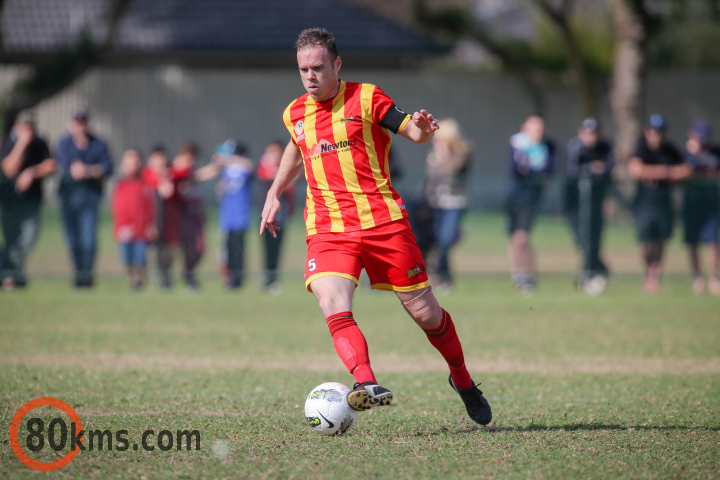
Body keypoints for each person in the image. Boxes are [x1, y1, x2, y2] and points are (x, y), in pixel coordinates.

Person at [260, 28, 491, 425]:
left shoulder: (367, 97)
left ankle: (463, 379)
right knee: (332, 301)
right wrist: (275, 191)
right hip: (328, 227)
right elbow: (295, 148)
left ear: (337, 64)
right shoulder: (294, 112)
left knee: (425, 314)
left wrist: (422, 127)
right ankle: (366, 383)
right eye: (303, 70)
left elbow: (411, 131)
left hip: (384, 223)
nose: (311, 76)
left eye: (318, 67)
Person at [628, 114, 691, 293]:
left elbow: (685, 170)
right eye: (653, 131)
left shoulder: (670, 150)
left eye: (660, 132)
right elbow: (635, 169)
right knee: (646, 243)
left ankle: (654, 276)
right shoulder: (641, 147)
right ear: (647, 131)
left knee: (661, 241)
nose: (657, 135)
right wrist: (663, 172)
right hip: (644, 203)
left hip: (664, 203)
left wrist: (656, 173)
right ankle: (649, 271)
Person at [56, 107, 113, 288]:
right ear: (71, 124)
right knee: (73, 240)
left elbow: (107, 167)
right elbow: (67, 168)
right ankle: (78, 274)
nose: (80, 126)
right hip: (69, 199)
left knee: (88, 240)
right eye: (76, 123)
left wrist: (87, 170)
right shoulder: (64, 143)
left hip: (90, 199)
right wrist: (92, 170)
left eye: (82, 122)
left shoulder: (98, 144)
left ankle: (87, 275)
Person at [0, 114, 57, 290]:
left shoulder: (39, 143)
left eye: (31, 126)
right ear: (17, 126)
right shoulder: (9, 143)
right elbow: (9, 169)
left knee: (28, 238)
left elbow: (51, 165)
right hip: (9, 203)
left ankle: (11, 274)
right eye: (24, 126)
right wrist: (21, 144)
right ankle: (11, 276)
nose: (28, 130)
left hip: (31, 202)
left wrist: (32, 172)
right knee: (12, 241)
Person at [505, 114, 555, 294]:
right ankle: (518, 274)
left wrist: (529, 170)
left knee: (522, 237)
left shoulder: (548, 147)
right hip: (514, 196)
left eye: (541, 128)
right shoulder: (516, 144)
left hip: (532, 198)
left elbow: (548, 170)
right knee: (514, 238)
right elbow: (515, 170)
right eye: (535, 128)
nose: (538, 132)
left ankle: (528, 275)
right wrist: (530, 170)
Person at [563, 117, 613, 295]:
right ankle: (595, 270)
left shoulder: (605, 147)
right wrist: (592, 168)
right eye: (588, 132)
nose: (591, 137)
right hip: (574, 205)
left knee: (594, 240)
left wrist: (597, 169)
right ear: (581, 132)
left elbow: (609, 168)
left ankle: (589, 274)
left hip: (595, 205)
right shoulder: (575, 147)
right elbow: (571, 171)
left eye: (594, 133)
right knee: (583, 239)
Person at [194, 140, 254, 289]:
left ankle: (238, 280)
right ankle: (229, 279)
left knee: (238, 250)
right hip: (226, 217)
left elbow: (250, 165)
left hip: (241, 217)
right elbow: (201, 174)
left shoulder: (242, 168)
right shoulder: (225, 169)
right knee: (226, 252)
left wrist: (227, 159)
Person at [425, 118, 471, 292]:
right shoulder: (433, 155)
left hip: (455, 203)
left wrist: (443, 156)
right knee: (439, 240)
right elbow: (431, 175)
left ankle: (440, 274)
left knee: (446, 239)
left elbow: (452, 171)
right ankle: (444, 276)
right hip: (436, 204)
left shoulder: (462, 152)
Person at [158, 141, 206, 290]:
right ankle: (166, 278)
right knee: (172, 250)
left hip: (194, 216)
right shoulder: (173, 171)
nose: (189, 163)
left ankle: (188, 275)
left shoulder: (191, 172)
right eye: (187, 158)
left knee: (198, 248)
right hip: (178, 217)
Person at [681, 119, 720, 295]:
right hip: (692, 204)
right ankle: (697, 278)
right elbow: (680, 172)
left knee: (712, 241)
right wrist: (693, 157)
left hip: (711, 204)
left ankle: (713, 278)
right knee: (693, 242)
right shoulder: (686, 154)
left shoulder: (715, 152)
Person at [111, 149, 156, 290]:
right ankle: (131, 280)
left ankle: (139, 280)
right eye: (128, 163)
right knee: (126, 258)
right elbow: (118, 208)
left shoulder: (144, 185)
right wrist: (121, 226)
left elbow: (150, 207)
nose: (132, 166)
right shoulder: (120, 185)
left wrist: (150, 225)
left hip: (141, 230)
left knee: (140, 257)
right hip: (125, 230)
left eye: (135, 163)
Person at [257, 140, 296, 292]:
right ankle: (267, 277)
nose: (271, 155)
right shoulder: (266, 164)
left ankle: (273, 278)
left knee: (278, 246)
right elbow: (265, 173)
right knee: (266, 247)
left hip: (282, 214)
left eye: (274, 152)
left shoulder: (287, 167)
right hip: (265, 214)